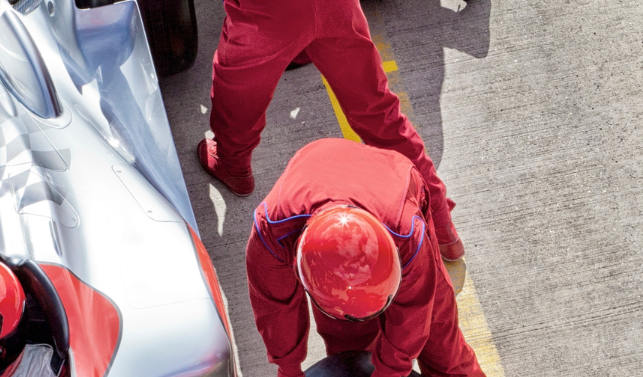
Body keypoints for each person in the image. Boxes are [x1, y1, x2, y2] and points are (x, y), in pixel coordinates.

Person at [246, 139, 515, 377]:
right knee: (350, 357)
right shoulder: (272, 231)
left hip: (393, 184)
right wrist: (288, 373)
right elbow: (274, 308)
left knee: (444, 350)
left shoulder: (407, 233)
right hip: (323, 176)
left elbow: (414, 313)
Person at [196, 0, 466, 261]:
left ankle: (233, 164)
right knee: (378, 112)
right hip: (337, 6)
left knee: (239, 89)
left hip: (269, 11)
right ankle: (441, 226)